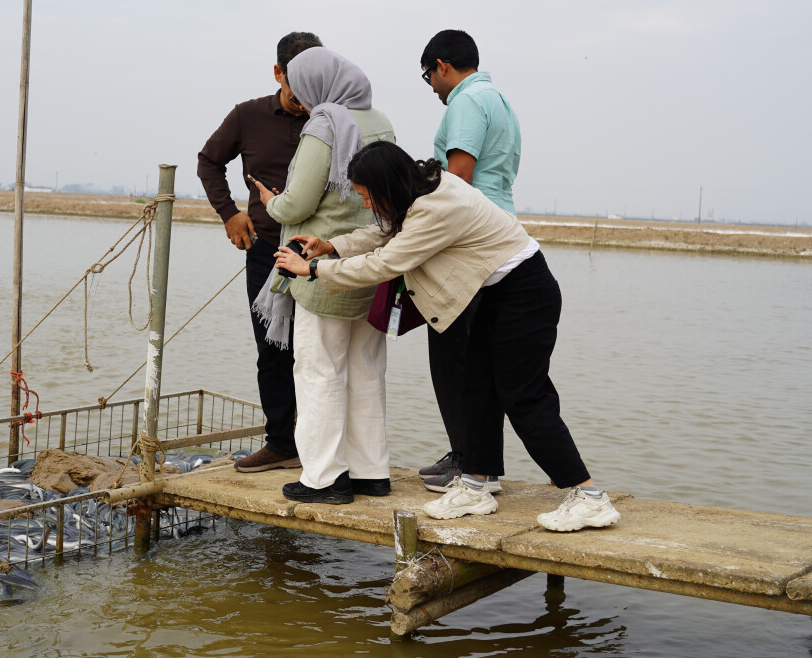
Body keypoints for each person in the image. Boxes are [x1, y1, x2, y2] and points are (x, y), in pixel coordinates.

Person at [274, 141, 620, 532]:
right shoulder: (420, 189)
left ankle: (588, 496)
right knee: (475, 389)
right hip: (490, 293)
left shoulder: (435, 207)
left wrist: (313, 269)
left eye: (368, 196)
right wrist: (332, 245)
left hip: (524, 293)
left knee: (524, 396)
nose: (367, 205)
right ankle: (475, 484)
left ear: (388, 186)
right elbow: (385, 232)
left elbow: (386, 262)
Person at [251, 47, 396, 505]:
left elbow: (297, 204)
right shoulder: (381, 121)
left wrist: (270, 201)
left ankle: (325, 478)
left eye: (297, 86)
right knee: (366, 369)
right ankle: (371, 472)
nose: (295, 95)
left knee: (318, 371)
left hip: (322, 265)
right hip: (371, 264)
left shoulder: (324, 125)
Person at [197, 31, 323, 473]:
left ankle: (322, 446)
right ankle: (281, 442)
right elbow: (209, 161)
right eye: (296, 83)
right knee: (273, 350)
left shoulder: (332, 118)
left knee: (321, 351)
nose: (304, 95)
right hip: (267, 251)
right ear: (278, 73)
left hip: (323, 254)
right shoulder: (247, 115)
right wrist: (229, 213)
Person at [416, 29, 524, 493]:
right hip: (498, 231)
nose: (432, 88)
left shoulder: (465, 101)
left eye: (429, 77)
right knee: (478, 357)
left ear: (442, 66)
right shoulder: (498, 99)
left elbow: (458, 177)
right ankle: (479, 462)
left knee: (453, 353)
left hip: (468, 240)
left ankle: (468, 462)